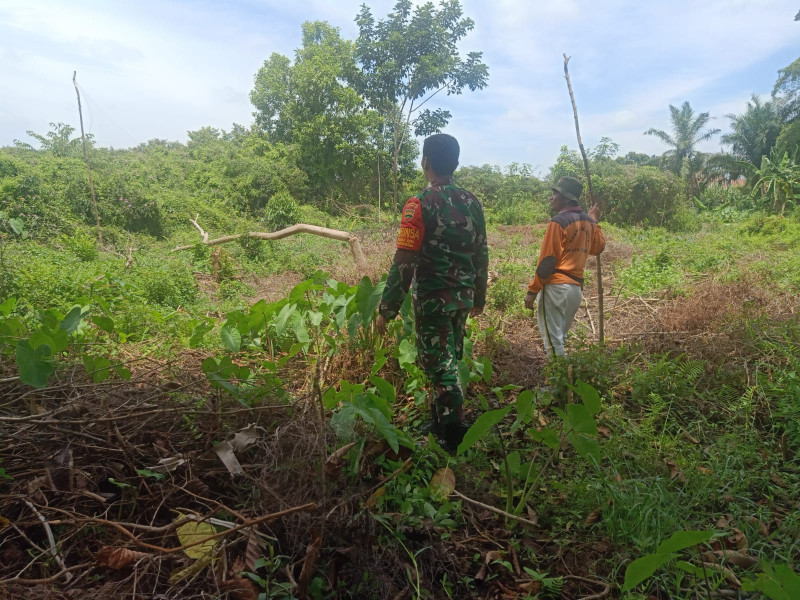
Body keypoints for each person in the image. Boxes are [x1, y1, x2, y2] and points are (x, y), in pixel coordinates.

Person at [376, 133, 489, 451]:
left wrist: (388, 308)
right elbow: (481, 252)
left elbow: (405, 260)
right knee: (449, 357)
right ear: (456, 163)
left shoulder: (419, 204)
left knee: (439, 364)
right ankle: (440, 421)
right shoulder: (472, 202)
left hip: (433, 300)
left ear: (425, 162)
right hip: (462, 297)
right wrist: (479, 295)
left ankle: (454, 436)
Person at [525, 176, 605, 358]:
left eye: (555, 194)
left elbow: (548, 260)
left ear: (567, 198)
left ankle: (559, 377)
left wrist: (532, 290)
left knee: (553, 344)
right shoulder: (588, 222)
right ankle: (565, 374)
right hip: (575, 291)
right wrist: (594, 221)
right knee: (560, 339)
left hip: (556, 288)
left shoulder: (558, 221)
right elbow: (598, 248)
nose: (551, 197)